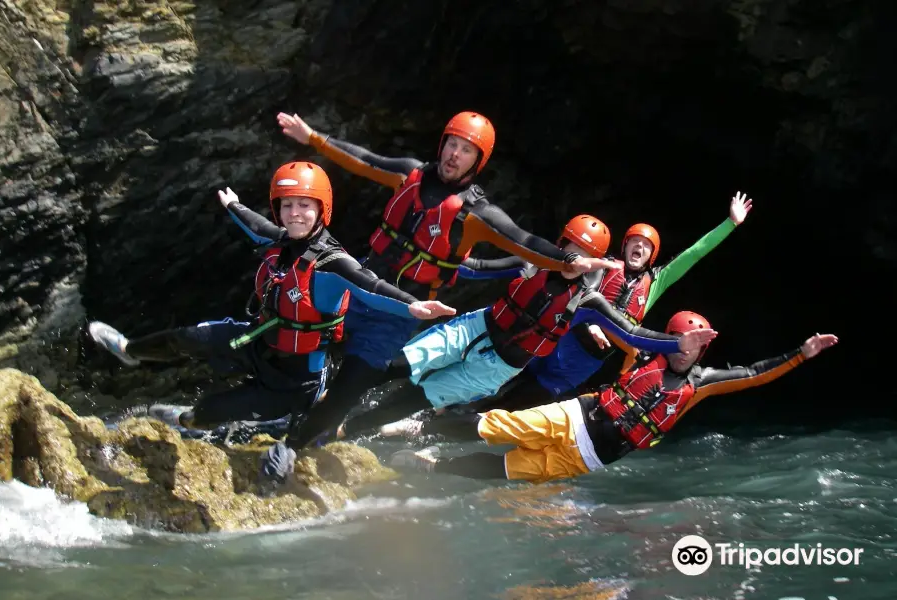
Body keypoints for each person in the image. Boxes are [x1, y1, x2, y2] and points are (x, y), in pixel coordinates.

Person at [275, 111, 614, 447]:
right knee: (299, 345)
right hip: (358, 284)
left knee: (352, 385)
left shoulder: (475, 213)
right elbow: (366, 160)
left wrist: (566, 260)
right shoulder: (411, 173)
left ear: (478, 161)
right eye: (452, 144)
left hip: (398, 312)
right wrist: (314, 139)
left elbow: (522, 240)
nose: (454, 154)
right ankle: (282, 413)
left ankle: (301, 443)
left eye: (466, 150)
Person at [87, 161, 456, 458]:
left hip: (294, 380)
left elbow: (372, 286)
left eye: (304, 205)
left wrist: (414, 306)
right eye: (287, 205)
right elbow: (255, 225)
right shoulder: (279, 240)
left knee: (210, 410)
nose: (294, 213)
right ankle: (130, 351)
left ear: (321, 209)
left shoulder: (334, 262)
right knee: (189, 337)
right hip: (257, 340)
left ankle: (191, 421)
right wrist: (234, 205)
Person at [331, 218, 719, 440]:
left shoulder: (596, 299)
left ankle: (382, 430)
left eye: (585, 255)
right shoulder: (537, 263)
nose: (576, 259)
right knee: (399, 364)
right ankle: (328, 410)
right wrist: (437, 255)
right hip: (487, 330)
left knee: (459, 401)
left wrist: (676, 342)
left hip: (528, 363)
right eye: (570, 248)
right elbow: (477, 269)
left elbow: (634, 334)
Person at [385, 311, 838, 485]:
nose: (695, 347)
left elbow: (755, 375)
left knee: (507, 470)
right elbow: (601, 318)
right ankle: (415, 425)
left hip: (592, 457)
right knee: (496, 425)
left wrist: (801, 354)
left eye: (701, 342)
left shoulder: (701, 383)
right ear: (672, 338)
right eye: (689, 338)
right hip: (575, 417)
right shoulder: (642, 353)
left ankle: (432, 464)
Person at [463, 191, 755, 413]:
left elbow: (695, 253)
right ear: (624, 245)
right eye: (634, 242)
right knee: (493, 378)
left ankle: (455, 431)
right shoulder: (601, 265)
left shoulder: (655, 283)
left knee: (511, 406)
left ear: (652, 255)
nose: (639, 247)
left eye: (646, 245)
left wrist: (730, 223)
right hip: (556, 339)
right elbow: (567, 284)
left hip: (581, 363)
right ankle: (444, 409)